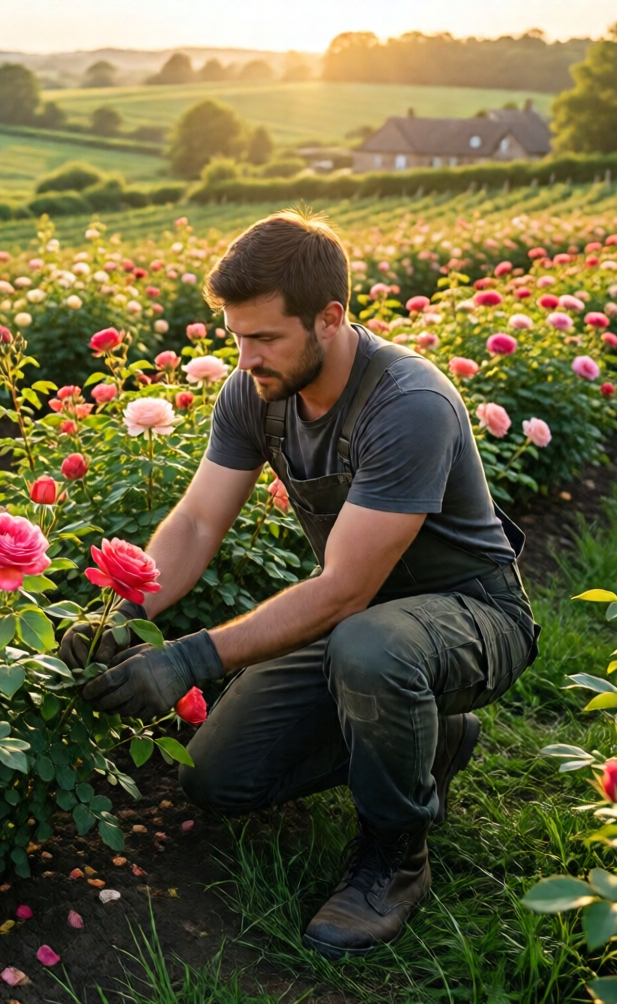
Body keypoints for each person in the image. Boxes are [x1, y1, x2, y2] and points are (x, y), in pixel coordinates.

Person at [59, 210, 539, 960]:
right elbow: (193, 525)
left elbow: (345, 590)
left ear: (331, 318)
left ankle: (395, 856)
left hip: (472, 616)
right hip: (359, 627)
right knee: (217, 782)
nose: (246, 357)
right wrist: (126, 611)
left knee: (372, 646)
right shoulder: (254, 393)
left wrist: (186, 660)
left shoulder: (407, 404)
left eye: (266, 337)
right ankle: (429, 739)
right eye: (236, 336)